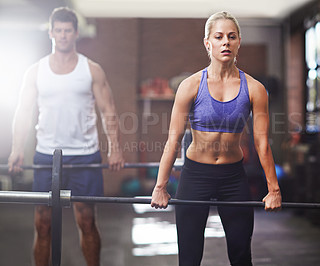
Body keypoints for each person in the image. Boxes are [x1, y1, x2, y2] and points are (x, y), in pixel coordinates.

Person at [151, 11, 282, 266]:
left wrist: (273, 189)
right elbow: (173, 141)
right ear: (207, 43)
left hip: (233, 177)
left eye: (231, 37)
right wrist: (160, 187)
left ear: (238, 42)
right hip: (195, 175)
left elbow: (262, 143)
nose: (226, 42)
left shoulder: (254, 89)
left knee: (241, 254)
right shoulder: (190, 86)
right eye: (219, 37)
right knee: (189, 258)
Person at [7, 7, 124, 266]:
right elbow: (23, 112)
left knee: (86, 220)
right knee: (43, 222)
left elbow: (109, 111)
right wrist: (16, 149)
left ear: (76, 33)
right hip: (47, 155)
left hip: (84, 156)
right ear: (51, 32)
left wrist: (115, 148)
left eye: (67, 30)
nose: (62, 35)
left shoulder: (91, 70)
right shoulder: (35, 72)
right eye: (58, 30)